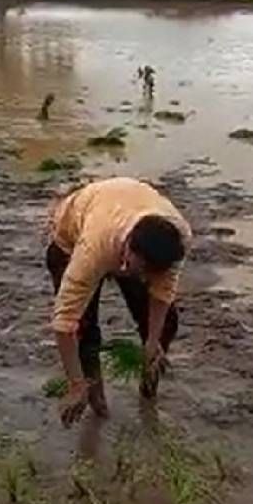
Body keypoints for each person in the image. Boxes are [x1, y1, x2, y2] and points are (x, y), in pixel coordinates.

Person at [47, 177, 192, 427]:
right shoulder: (94, 249)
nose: (147, 279)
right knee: (85, 331)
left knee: (167, 323)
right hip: (74, 232)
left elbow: (162, 292)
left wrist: (152, 342)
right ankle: (94, 400)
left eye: (153, 273)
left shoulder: (178, 239)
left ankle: (148, 389)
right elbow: (64, 324)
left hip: (125, 213)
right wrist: (75, 384)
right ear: (128, 251)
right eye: (144, 270)